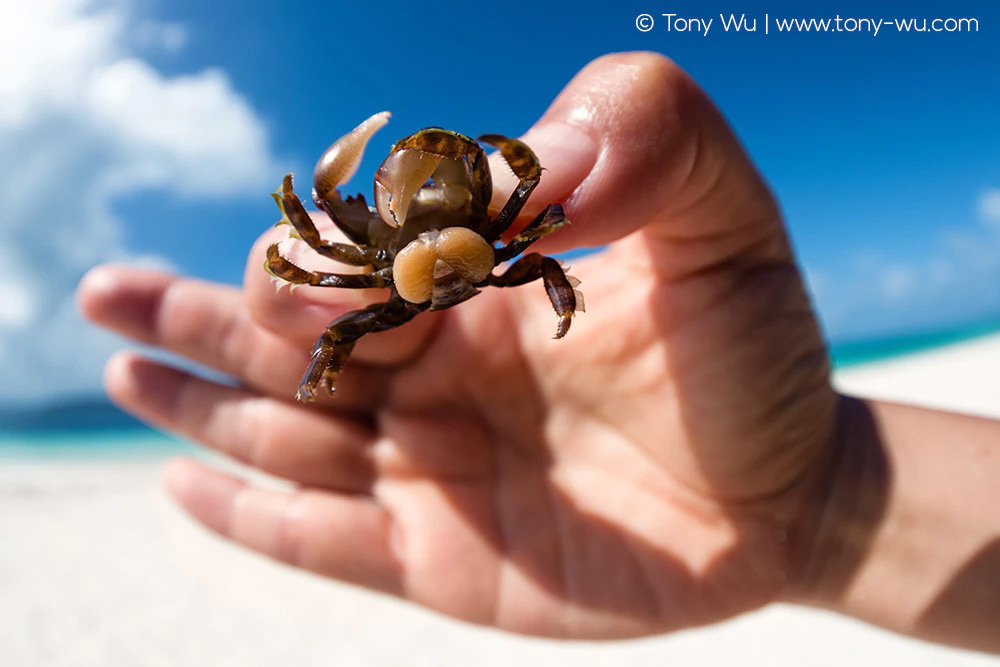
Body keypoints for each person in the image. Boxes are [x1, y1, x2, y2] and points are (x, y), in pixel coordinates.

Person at [78, 52, 1000, 652]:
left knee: (421, 287)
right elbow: (301, 243)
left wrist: (820, 489)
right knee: (341, 319)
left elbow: (544, 203)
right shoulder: (380, 263)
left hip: (477, 215)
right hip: (428, 232)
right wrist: (819, 498)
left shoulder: (513, 247)